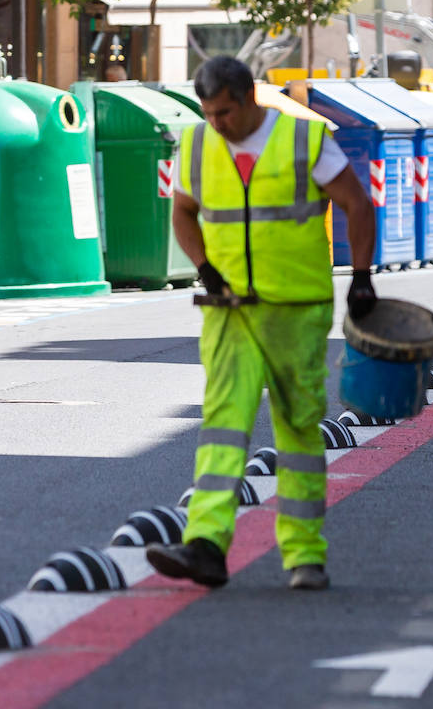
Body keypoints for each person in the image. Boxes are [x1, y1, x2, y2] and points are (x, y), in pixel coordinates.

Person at [145, 56, 376, 591]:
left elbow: (357, 205)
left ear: (249, 98)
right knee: (224, 424)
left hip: (295, 311)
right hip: (230, 314)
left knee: (297, 430)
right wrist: (204, 268)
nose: (217, 123)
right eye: (208, 113)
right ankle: (205, 543)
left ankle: (303, 555)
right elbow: (183, 211)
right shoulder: (198, 144)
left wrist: (362, 278)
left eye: (224, 112)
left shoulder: (305, 139)